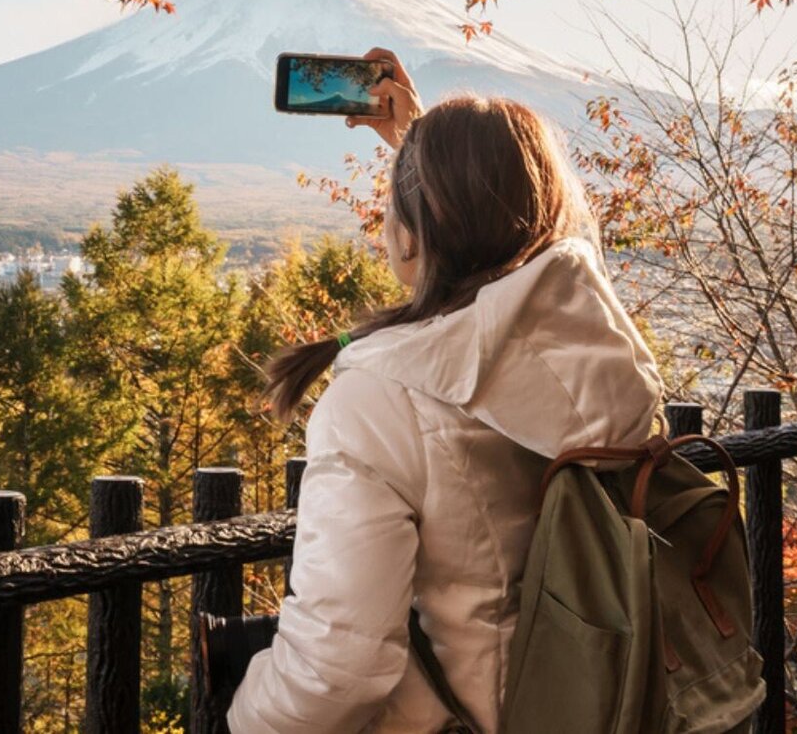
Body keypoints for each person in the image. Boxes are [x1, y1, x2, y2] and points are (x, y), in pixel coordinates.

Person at [229, 49, 666, 733]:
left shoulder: (378, 405)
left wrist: (243, 716)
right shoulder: (607, 360)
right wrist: (430, 146)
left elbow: (336, 670)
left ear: (409, 233)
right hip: (606, 706)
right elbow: (510, 257)